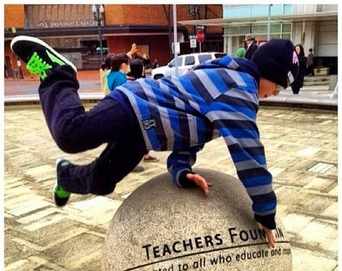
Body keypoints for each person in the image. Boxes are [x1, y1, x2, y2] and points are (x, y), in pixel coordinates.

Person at [10, 36, 299, 248]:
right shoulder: (240, 90)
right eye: (278, 85)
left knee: (101, 181)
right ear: (267, 72)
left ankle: (66, 176)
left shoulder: (229, 88)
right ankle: (59, 74)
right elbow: (249, 154)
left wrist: (182, 170)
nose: (274, 93)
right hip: (134, 104)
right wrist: (265, 212)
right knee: (71, 134)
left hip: (141, 135)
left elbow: (192, 132)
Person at [126, 58, 159, 162]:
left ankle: (143, 154)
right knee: (146, 134)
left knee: (136, 135)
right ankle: (143, 155)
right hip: (143, 113)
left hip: (131, 113)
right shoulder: (143, 82)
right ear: (141, 69)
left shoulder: (127, 81)